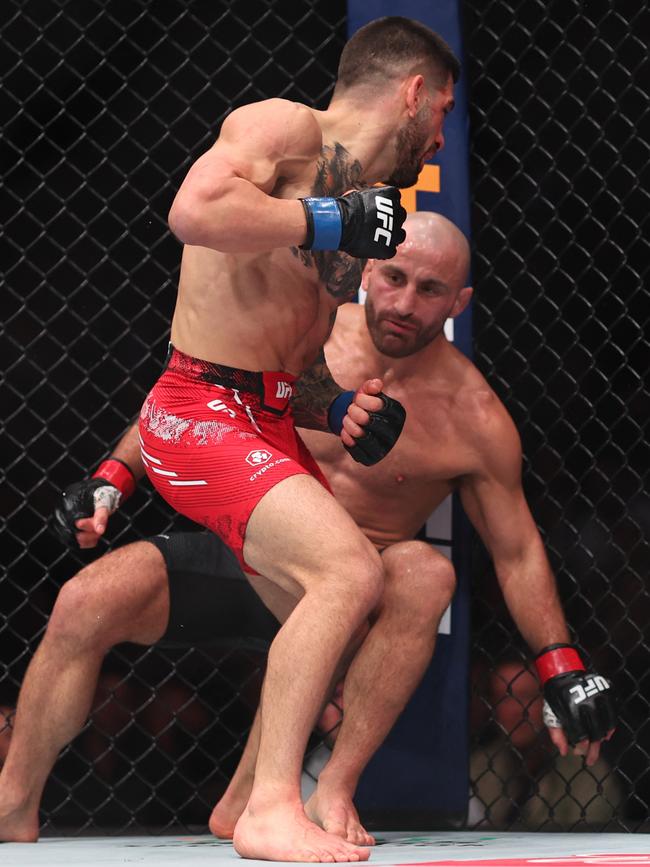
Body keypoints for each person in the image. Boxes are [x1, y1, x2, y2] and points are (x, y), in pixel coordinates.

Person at [0, 213, 615, 846]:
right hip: (249, 549)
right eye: (396, 277)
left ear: (459, 302)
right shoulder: (307, 331)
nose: (405, 303)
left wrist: (558, 664)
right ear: (369, 272)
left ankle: (323, 793)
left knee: (425, 571)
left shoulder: (475, 418)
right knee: (84, 602)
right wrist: (113, 475)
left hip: (352, 592)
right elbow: (201, 391)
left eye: (430, 291)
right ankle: (12, 805)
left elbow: (516, 551)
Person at [136, 15, 459, 862]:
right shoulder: (283, 125)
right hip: (197, 406)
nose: (440, 134)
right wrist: (326, 220)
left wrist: (340, 408)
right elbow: (194, 209)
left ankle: (242, 794)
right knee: (346, 570)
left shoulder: (369, 208)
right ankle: (275, 807)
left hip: (270, 412)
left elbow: (291, 353)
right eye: (445, 110)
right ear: (414, 91)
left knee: (356, 608)